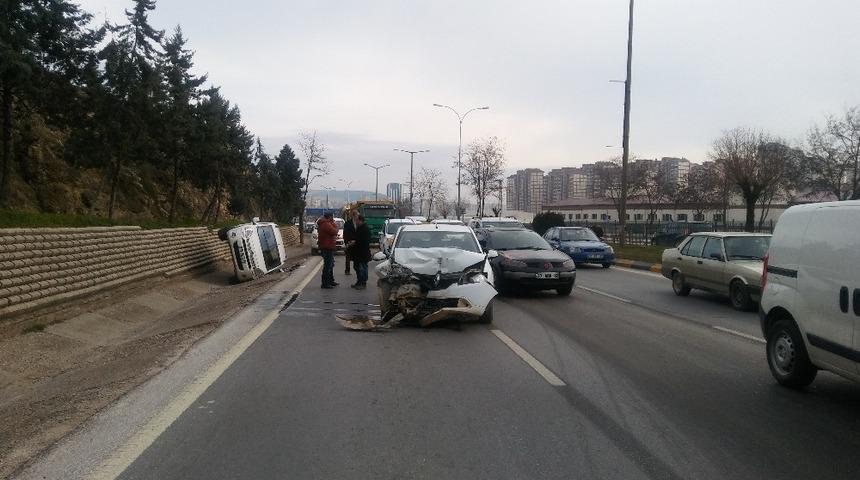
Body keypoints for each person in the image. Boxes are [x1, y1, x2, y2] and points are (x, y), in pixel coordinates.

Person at [349, 214, 372, 290]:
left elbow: (364, 241)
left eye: (357, 220)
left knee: (363, 268)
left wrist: (355, 242)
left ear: (360, 220)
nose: (356, 222)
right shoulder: (359, 228)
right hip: (358, 252)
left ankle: (363, 283)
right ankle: (359, 282)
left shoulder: (365, 229)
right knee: (357, 267)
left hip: (363, 252)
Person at [317, 212, 339, 288]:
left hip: (327, 247)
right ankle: (325, 283)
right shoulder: (326, 224)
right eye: (332, 217)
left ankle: (330, 281)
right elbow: (335, 231)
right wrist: (334, 224)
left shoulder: (325, 223)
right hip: (327, 247)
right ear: (330, 217)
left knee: (330, 265)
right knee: (327, 266)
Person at [342, 211, 356, 275]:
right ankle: (347, 270)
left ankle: (357, 269)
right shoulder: (347, 223)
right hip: (349, 242)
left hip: (356, 243)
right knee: (348, 257)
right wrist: (347, 242)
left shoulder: (359, 223)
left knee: (357, 257)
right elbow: (345, 234)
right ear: (353, 216)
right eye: (356, 215)